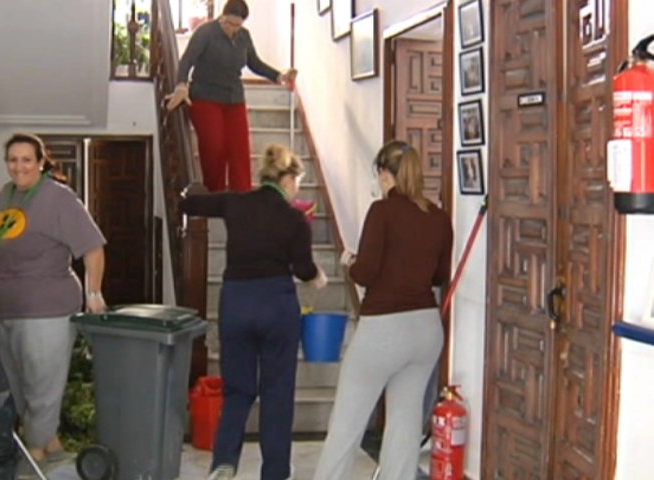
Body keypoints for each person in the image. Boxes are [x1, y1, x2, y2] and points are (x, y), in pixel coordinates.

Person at [181, 144, 327, 480]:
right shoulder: (295, 219)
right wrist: (318, 277)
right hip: (276, 305)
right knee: (277, 392)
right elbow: (303, 268)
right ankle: (274, 472)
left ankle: (223, 463)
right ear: (288, 179)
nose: (297, 191)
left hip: (236, 303)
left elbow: (191, 202)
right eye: (298, 183)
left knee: (238, 391)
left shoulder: (237, 202)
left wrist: (187, 191)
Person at [0, 132, 107, 479]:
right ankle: (52, 446)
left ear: (41, 161)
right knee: (15, 384)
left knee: (42, 384)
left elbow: (92, 247)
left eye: (26, 159)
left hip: (46, 309)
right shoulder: (6, 194)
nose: (19, 166)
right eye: (13, 160)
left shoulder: (58, 198)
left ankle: (33, 457)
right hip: (2, 308)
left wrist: (93, 292)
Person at [313, 141, 453, 480]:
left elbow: (367, 272)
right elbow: (439, 275)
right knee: (404, 424)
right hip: (425, 330)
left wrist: (351, 262)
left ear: (385, 175)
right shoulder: (438, 217)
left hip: (384, 331)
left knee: (347, 425)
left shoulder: (382, 211)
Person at [167, 0, 298, 193]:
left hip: (234, 99)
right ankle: (215, 194)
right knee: (215, 147)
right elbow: (187, 60)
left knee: (240, 152)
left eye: (237, 25)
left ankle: (242, 197)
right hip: (205, 98)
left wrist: (279, 76)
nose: (232, 29)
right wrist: (181, 85)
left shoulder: (244, 36)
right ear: (222, 17)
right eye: (229, 23)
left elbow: (254, 63)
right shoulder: (206, 32)